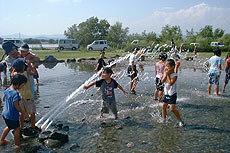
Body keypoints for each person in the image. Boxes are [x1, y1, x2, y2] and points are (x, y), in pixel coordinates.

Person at [0, 74, 29, 149]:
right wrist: (24, 113)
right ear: (18, 84)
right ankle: (17, 145)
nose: (22, 87)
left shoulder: (7, 90)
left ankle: (1, 141)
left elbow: (3, 99)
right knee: (17, 129)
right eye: (22, 85)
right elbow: (17, 106)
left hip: (5, 114)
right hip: (12, 115)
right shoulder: (16, 94)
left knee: (9, 127)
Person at [11, 58, 37, 129]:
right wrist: (30, 65)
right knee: (32, 112)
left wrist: (14, 69)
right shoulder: (26, 73)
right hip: (28, 97)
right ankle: (33, 126)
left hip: (19, 98)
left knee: (21, 113)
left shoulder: (14, 75)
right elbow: (34, 73)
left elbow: (12, 73)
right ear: (23, 67)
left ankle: (22, 127)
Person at [161, 59, 184, 127]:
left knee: (172, 109)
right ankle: (164, 119)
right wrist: (165, 75)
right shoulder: (165, 73)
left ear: (172, 67)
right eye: (165, 66)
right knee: (163, 106)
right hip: (166, 93)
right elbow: (162, 81)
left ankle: (180, 120)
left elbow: (170, 83)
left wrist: (167, 75)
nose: (166, 68)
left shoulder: (175, 75)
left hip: (172, 94)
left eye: (167, 66)